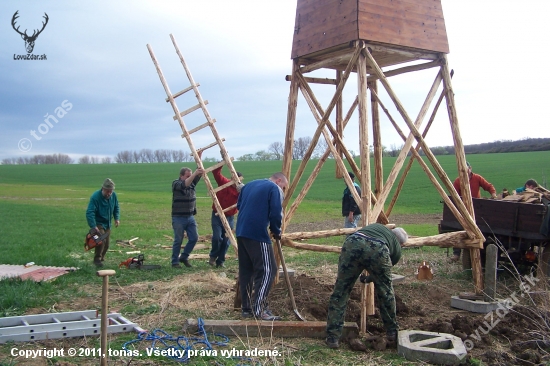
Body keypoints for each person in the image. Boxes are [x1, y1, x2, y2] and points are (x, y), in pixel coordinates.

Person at [325, 223, 408, 349]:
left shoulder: (379, 228)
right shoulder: (396, 247)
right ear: (401, 244)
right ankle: (392, 332)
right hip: (378, 248)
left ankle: (332, 337)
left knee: (341, 291)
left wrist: (367, 278)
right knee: (386, 292)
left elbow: (364, 243)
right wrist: (372, 278)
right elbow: (383, 275)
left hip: (352, 242)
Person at [236, 172, 288, 321]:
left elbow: (239, 205)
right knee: (267, 270)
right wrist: (276, 230)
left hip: (241, 231)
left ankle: (246, 309)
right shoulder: (274, 188)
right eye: (283, 187)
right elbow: (276, 212)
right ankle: (259, 309)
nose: (282, 191)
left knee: (247, 270)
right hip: (257, 233)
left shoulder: (249, 185)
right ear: (279, 181)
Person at [450, 161, 497, 262]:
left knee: (477, 229)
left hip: (477, 208)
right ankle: (456, 254)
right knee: (459, 229)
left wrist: (493, 194)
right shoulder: (458, 181)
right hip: (464, 209)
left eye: (466, 169)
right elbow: (455, 195)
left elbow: (488, 186)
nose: (464, 172)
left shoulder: (477, 178)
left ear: (470, 168)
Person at [209, 165, 244, 268]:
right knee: (217, 237)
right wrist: (220, 165)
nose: (235, 182)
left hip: (230, 217)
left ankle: (220, 261)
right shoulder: (224, 182)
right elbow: (216, 173)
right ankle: (213, 256)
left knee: (226, 240)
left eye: (237, 181)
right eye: (233, 180)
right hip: (217, 215)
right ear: (231, 179)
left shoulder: (241, 191)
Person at [171, 165, 204, 268]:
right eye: (187, 175)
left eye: (190, 175)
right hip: (178, 217)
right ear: (181, 176)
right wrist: (194, 174)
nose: (190, 177)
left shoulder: (191, 184)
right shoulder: (176, 183)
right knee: (178, 240)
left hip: (190, 217)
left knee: (194, 238)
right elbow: (184, 185)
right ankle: (174, 261)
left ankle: (184, 257)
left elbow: (198, 174)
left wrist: (199, 156)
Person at [86, 178, 120, 267]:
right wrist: (93, 226)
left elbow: (116, 207)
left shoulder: (114, 196)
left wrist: (117, 218)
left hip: (107, 223)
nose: (109, 193)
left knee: (107, 244)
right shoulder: (95, 197)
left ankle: (101, 257)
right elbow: (90, 212)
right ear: (103, 189)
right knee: (101, 240)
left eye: (111, 191)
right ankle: (97, 259)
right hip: (98, 223)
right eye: (107, 191)